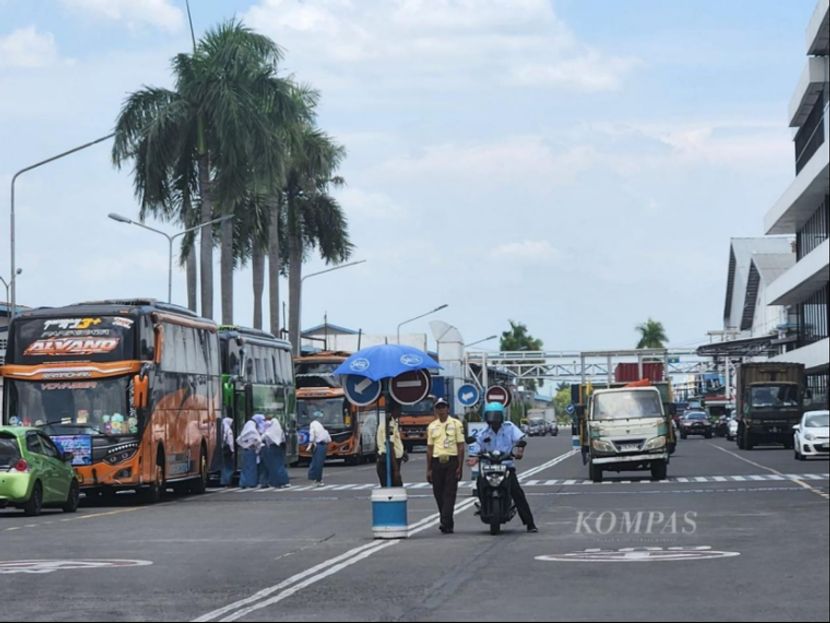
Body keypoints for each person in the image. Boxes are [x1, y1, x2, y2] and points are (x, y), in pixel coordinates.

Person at [474, 402, 537, 533]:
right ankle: (483, 506)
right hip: (489, 467)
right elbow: (476, 447)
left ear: (501, 417)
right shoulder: (483, 433)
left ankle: (530, 523)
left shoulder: (509, 427)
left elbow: (520, 439)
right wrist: (474, 456)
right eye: (491, 417)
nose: (494, 421)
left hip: (506, 466)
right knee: (479, 484)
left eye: (496, 417)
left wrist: (519, 451)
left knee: (517, 493)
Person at [426, 397, 465, 534]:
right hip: (437, 462)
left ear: (448, 408)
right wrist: (429, 469)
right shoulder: (432, 426)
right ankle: (447, 522)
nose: (441, 410)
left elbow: (461, 446)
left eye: (443, 407)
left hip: (451, 461)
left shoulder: (456, 424)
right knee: (438, 493)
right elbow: (429, 449)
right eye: (438, 407)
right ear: (435, 410)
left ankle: (444, 521)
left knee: (449, 493)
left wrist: (460, 466)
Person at [377, 402, 407, 487]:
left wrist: (402, 453)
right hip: (388, 462)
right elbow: (389, 446)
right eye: (399, 409)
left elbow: (395, 442)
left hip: (392, 461)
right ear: (394, 410)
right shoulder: (389, 424)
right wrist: (395, 470)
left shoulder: (394, 422)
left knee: (396, 488)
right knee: (395, 489)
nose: (401, 412)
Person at [262, 415, 291, 488]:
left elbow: (263, 438)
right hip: (279, 448)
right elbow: (283, 439)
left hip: (272, 448)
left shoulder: (269, 431)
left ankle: (276, 482)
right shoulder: (280, 430)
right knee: (280, 465)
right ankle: (284, 481)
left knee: (273, 466)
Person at [236, 417, 263, 489]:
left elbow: (238, 440)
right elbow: (259, 440)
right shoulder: (253, 431)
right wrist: (255, 447)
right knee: (252, 468)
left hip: (245, 451)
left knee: (244, 468)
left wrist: (244, 445)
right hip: (252, 450)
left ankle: (243, 483)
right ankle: (251, 483)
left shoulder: (244, 432)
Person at [307, 411, 331, 486]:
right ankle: (318, 479)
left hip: (318, 445)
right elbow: (328, 438)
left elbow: (312, 434)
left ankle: (315, 479)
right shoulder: (320, 425)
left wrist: (310, 444)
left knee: (316, 462)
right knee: (319, 463)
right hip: (322, 445)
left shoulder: (313, 424)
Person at [220, 416, 235, 486]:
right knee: (229, 466)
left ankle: (224, 481)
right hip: (228, 450)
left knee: (224, 466)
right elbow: (230, 442)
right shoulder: (229, 430)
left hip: (223, 449)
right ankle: (228, 481)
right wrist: (232, 451)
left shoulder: (222, 429)